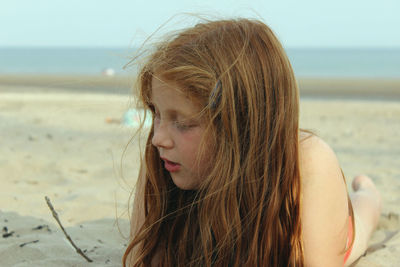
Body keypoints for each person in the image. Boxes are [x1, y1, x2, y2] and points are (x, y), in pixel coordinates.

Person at [123, 18, 382, 266]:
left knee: (365, 210)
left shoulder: (309, 159)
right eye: (156, 113)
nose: (158, 138)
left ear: (242, 125)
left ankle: (367, 189)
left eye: (183, 123)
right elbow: (140, 259)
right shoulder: (165, 152)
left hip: (328, 231)